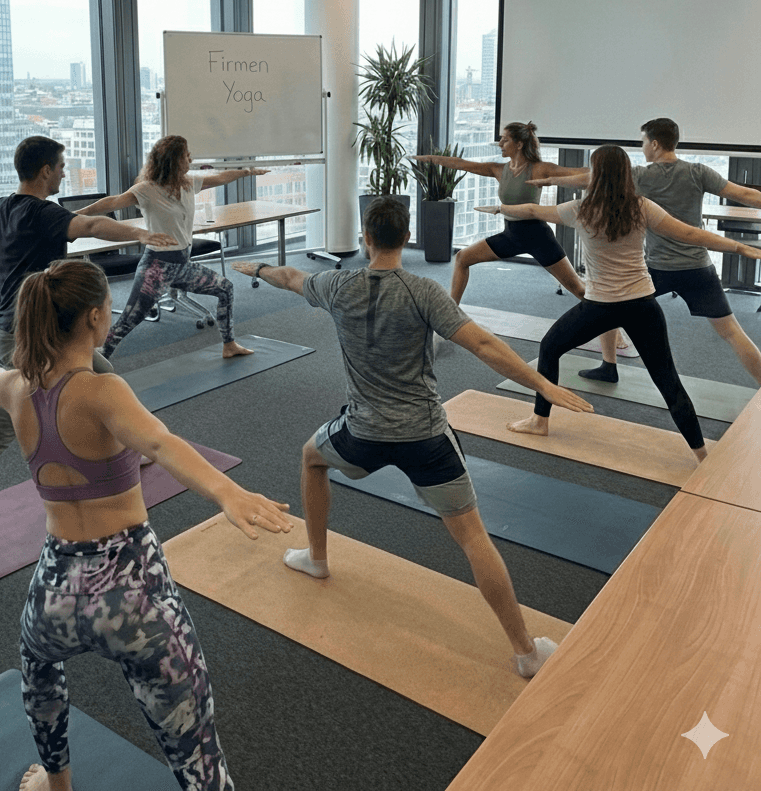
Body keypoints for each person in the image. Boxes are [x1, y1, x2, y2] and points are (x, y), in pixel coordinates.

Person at [0, 258, 292, 791]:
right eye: (109, 309)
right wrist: (227, 491)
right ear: (95, 317)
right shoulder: (101, 391)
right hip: (132, 593)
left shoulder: (15, 388)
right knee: (195, 743)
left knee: (39, 674)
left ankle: (57, 783)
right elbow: (161, 443)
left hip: (55, 590)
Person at [232, 197, 594, 678]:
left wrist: (257, 268)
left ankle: (317, 558)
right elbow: (483, 344)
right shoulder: (424, 291)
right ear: (406, 238)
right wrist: (543, 385)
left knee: (311, 457)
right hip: (425, 438)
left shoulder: (336, 285)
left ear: (366, 238)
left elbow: (291, 277)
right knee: (473, 537)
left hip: (363, 432)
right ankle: (526, 652)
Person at [0, 135, 177, 563]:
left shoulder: (0, 208)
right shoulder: (44, 213)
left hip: (32, 331)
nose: (63, 174)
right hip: (31, 338)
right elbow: (91, 226)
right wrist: (141, 232)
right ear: (45, 171)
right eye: (61, 167)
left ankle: (135, 444)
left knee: (105, 376)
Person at [486, 145, 761, 463]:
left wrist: (500, 208)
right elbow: (689, 234)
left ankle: (539, 421)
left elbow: (533, 211)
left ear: (595, 175)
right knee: (668, 381)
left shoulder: (580, 209)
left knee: (550, 347)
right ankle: (701, 455)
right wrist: (738, 248)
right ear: (626, 174)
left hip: (599, 308)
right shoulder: (641, 207)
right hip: (642, 306)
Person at [533, 118, 761, 386]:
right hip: (698, 267)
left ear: (654, 144)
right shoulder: (698, 172)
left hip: (657, 270)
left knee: (610, 303)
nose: (642, 148)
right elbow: (747, 195)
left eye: (643, 142)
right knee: (732, 332)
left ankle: (609, 366)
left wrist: (552, 180)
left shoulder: (640, 175)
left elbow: (592, 179)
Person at [74, 135, 268, 361]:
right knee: (127, 322)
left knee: (225, 288)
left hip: (183, 266)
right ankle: (89, 366)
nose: (190, 159)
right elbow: (112, 202)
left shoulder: (188, 183)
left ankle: (229, 345)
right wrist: (75, 215)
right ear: (173, 160)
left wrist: (247, 172)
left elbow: (219, 178)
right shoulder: (147, 189)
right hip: (157, 268)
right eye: (186, 156)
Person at [414, 122, 594, 306]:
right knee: (462, 258)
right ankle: (452, 311)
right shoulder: (499, 170)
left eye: (505, 140)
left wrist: (601, 172)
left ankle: (607, 311)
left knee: (579, 290)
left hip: (538, 237)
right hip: (511, 235)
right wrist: (431, 159)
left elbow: (581, 173)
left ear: (519, 144)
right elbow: (462, 164)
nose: (500, 143)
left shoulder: (539, 168)